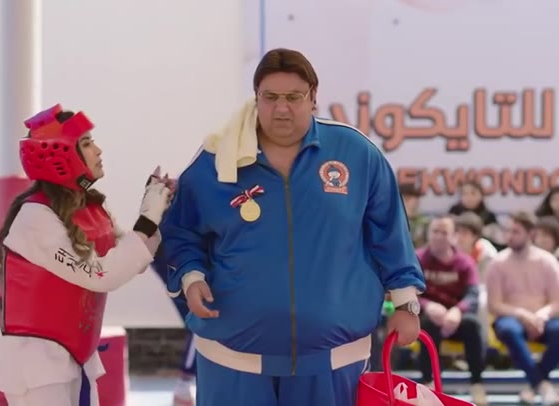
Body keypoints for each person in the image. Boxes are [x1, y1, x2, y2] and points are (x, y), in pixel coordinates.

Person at [159, 48, 426, 406]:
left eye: (293, 97)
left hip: (334, 361)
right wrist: (191, 276)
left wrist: (407, 304)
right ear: (256, 97)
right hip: (231, 360)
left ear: (313, 97)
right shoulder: (216, 160)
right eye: (270, 97)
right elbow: (181, 231)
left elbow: (390, 233)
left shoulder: (356, 153)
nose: (281, 108)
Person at [0, 104, 173, 406]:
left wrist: (155, 211)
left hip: (75, 355)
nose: (98, 150)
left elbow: (131, 260)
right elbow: (101, 275)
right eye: (86, 143)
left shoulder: (91, 207)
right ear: (60, 155)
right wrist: (146, 221)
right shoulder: (36, 217)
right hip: (38, 365)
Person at [486, 211, 559, 405]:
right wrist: (523, 314)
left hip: (543, 320)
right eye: (508, 231)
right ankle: (542, 384)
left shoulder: (547, 261)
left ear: (530, 234)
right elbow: (494, 305)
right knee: (508, 329)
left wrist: (541, 315)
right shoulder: (497, 263)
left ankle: (534, 384)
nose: (509, 236)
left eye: (515, 232)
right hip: (511, 319)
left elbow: (556, 301)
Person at [415, 215, 487, 404]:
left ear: (454, 236)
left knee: (473, 324)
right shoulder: (417, 259)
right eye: (435, 232)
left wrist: (457, 311)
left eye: (444, 232)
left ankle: (477, 383)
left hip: (456, 319)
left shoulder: (465, 262)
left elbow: (473, 295)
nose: (439, 236)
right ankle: (428, 383)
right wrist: (428, 306)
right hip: (428, 317)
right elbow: (406, 292)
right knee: (427, 326)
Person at [152, 244, 197, 406]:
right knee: (200, 321)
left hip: (177, 253)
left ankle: (184, 385)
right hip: (176, 254)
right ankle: (184, 385)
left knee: (199, 320)